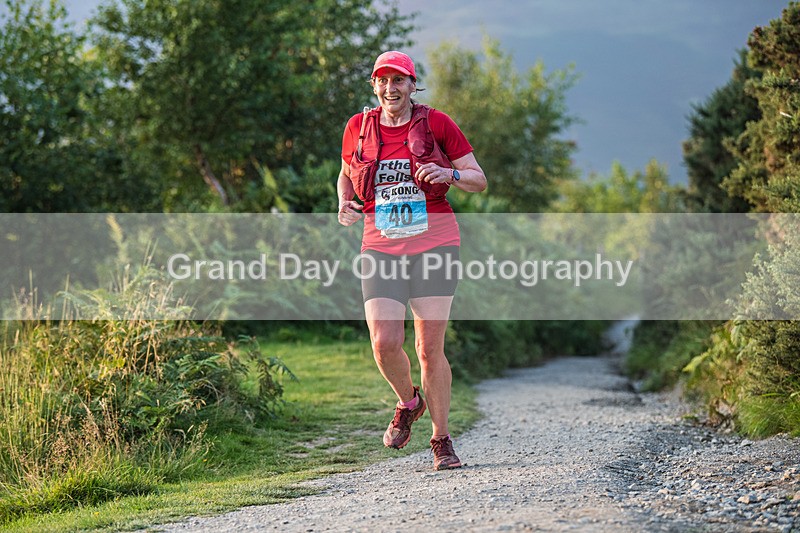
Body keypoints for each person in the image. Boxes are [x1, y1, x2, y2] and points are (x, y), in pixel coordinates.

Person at [336, 50, 487, 470]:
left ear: (411, 84)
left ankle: (441, 439)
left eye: (398, 81)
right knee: (384, 343)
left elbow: (479, 178)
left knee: (427, 348)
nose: (390, 88)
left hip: (434, 244)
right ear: (373, 86)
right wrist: (344, 202)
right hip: (380, 246)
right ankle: (409, 402)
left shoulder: (437, 123)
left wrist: (450, 175)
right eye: (382, 81)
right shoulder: (358, 127)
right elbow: (346, 174)